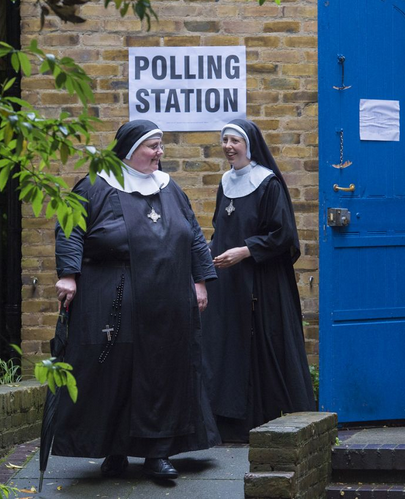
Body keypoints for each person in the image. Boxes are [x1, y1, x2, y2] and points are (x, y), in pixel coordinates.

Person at [52, 119, 220, 480]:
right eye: (153, 146)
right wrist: (68, 273)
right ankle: (113, 450)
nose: (160, 152)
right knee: (112, 370)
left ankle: (157, 453)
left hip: (168, 298)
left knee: (162, 372)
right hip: (114, 292)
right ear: (129, 151)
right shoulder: (95, 186)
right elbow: (70, 227)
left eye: (161, 145)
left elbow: (192, 234)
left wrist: (200, 280)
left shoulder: (169, 187)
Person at [200, 119, 315, 443]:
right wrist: (211, 249)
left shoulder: (268, 184)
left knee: (260, 346)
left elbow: (283, 235)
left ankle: (264, 419)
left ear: (249, 145)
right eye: (224, 140)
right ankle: (229, 424)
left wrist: (246, 250)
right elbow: (219, 227)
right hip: (229, 282)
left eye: (234, 140)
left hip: (261, 283)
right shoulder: (225, 181)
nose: (228, 146)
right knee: (227, 347)